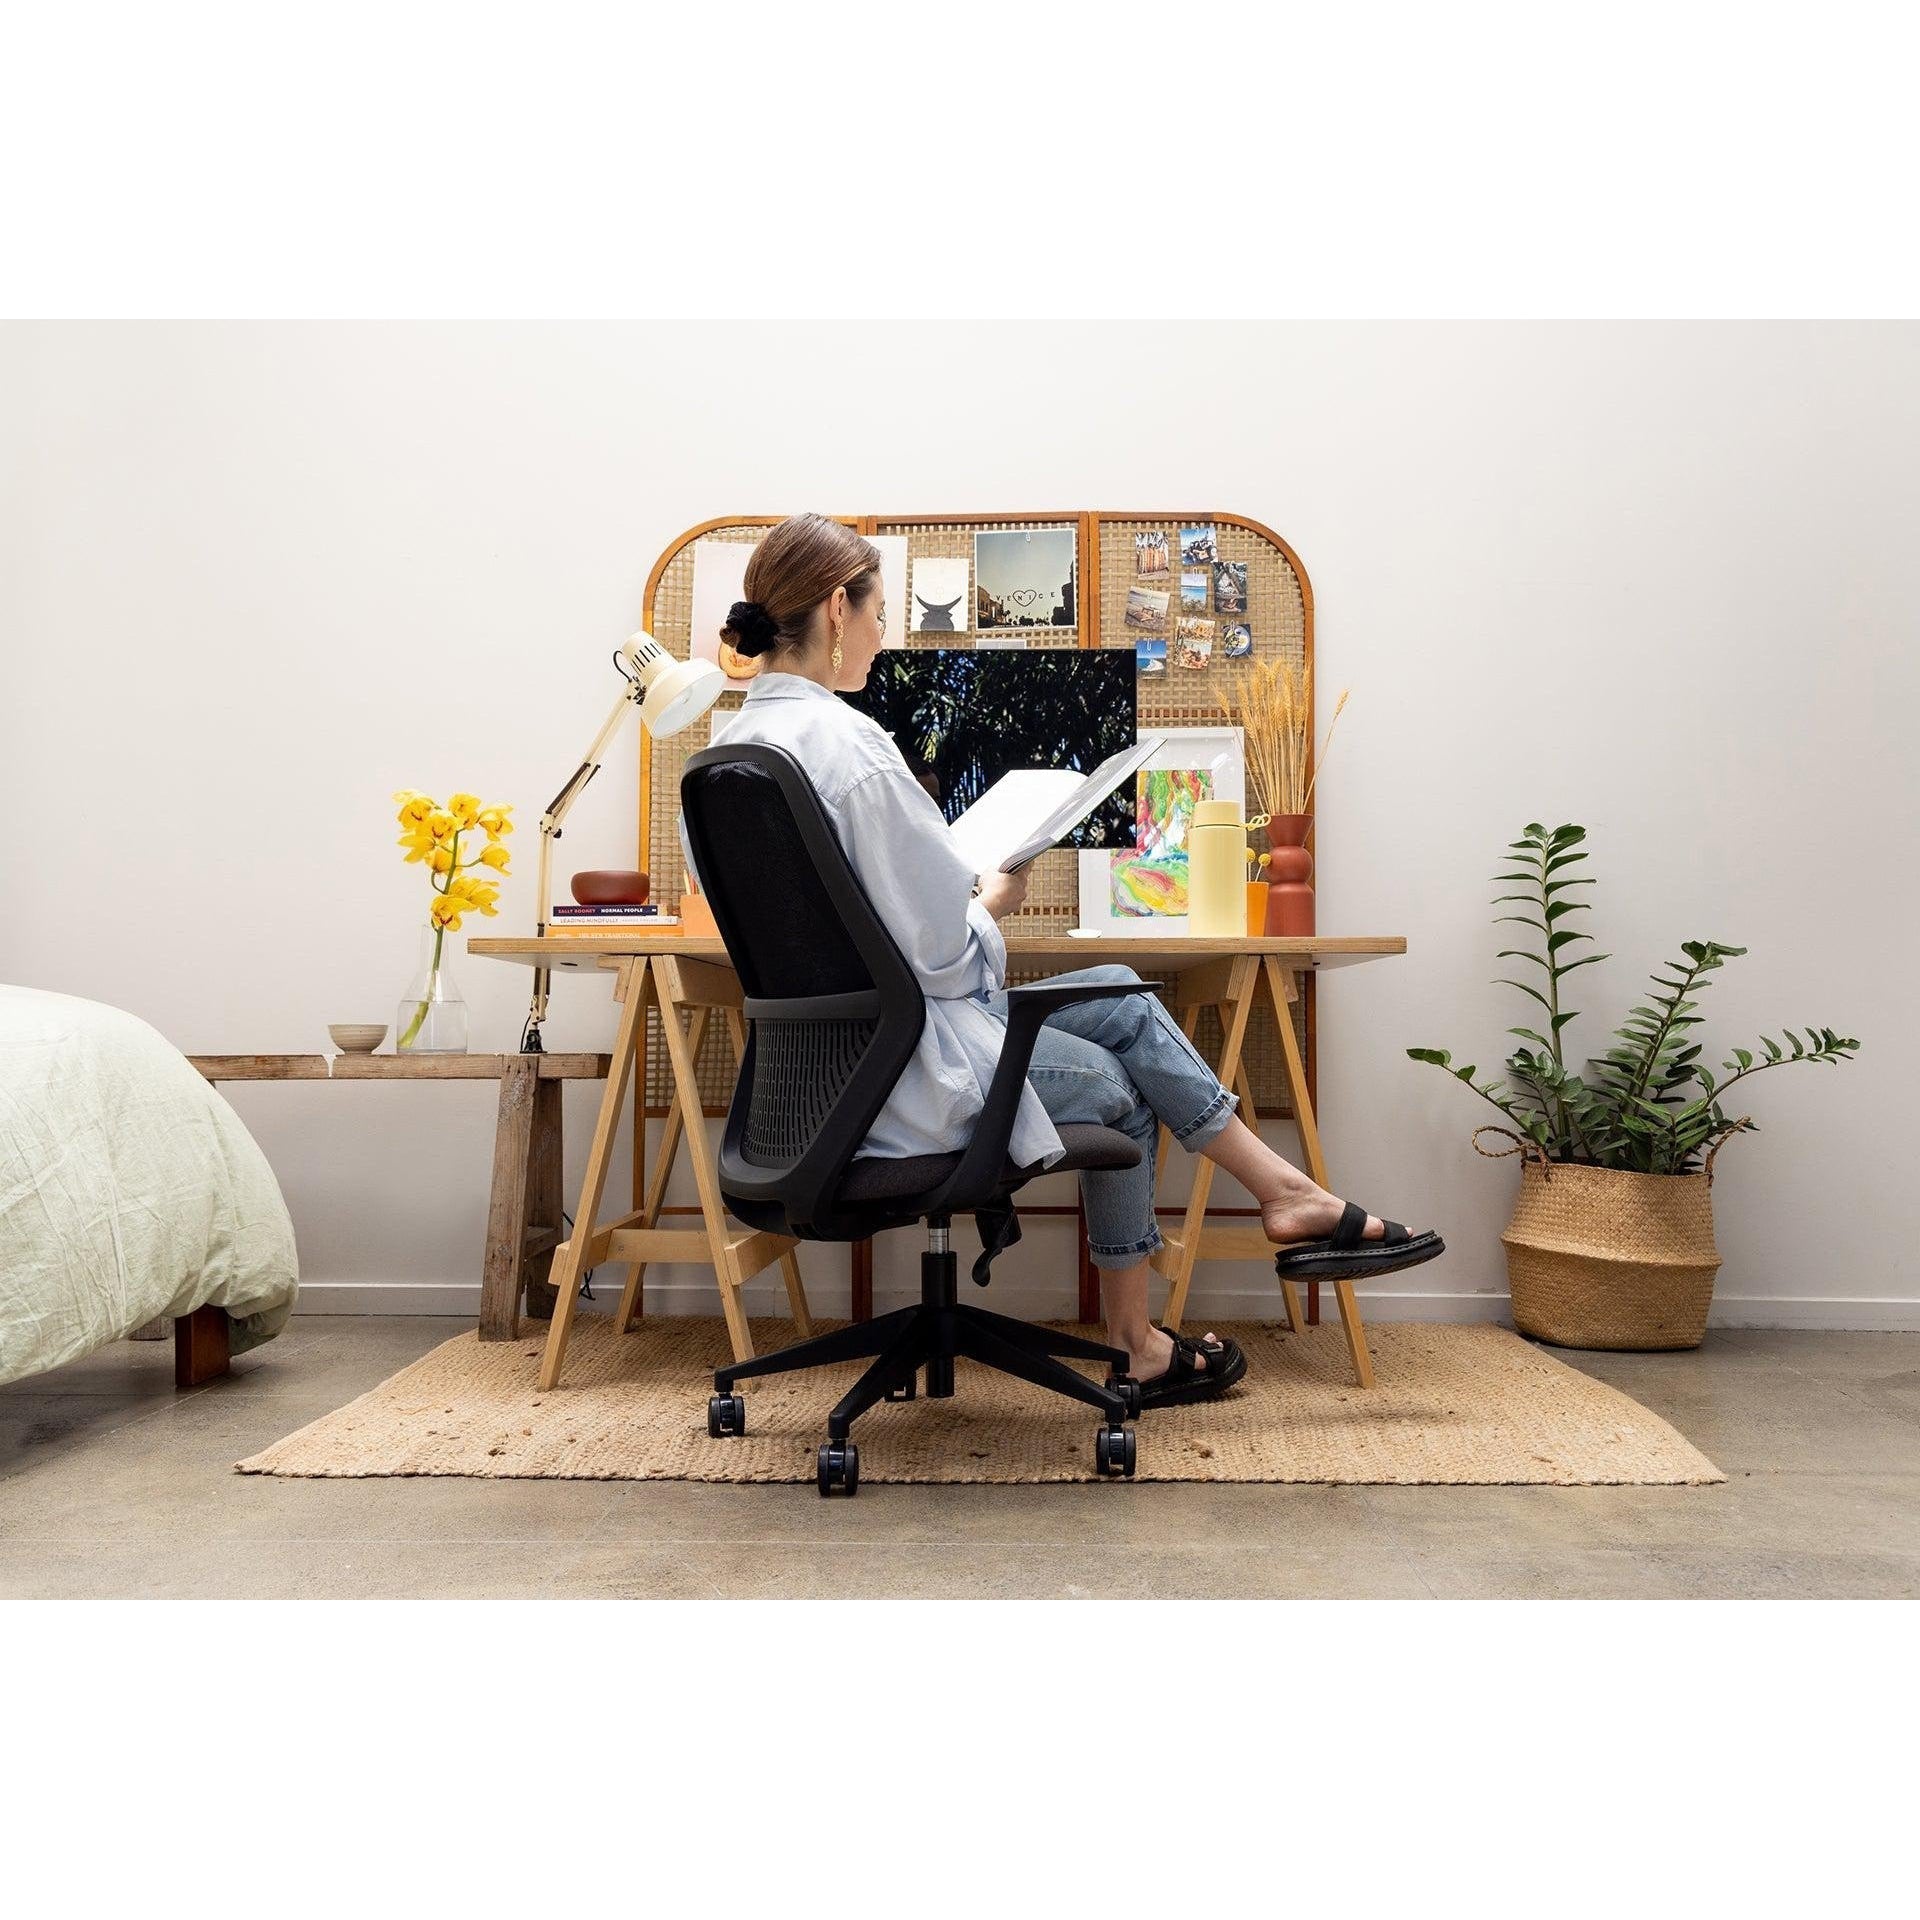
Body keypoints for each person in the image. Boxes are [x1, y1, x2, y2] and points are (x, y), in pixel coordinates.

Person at [685, 514, 1443, 1408]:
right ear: (836, 608)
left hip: (824, 1081)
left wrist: (955, 905)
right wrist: (992, 902)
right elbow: (939, 953)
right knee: (1124, 1084)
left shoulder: (723, 758)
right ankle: (1145, 1334)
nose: (883, 637)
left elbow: (855, 939)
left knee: (1121, 994)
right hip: (904, 1077)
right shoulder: (853, 750)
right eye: (880, 613)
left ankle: (1280, 1200)